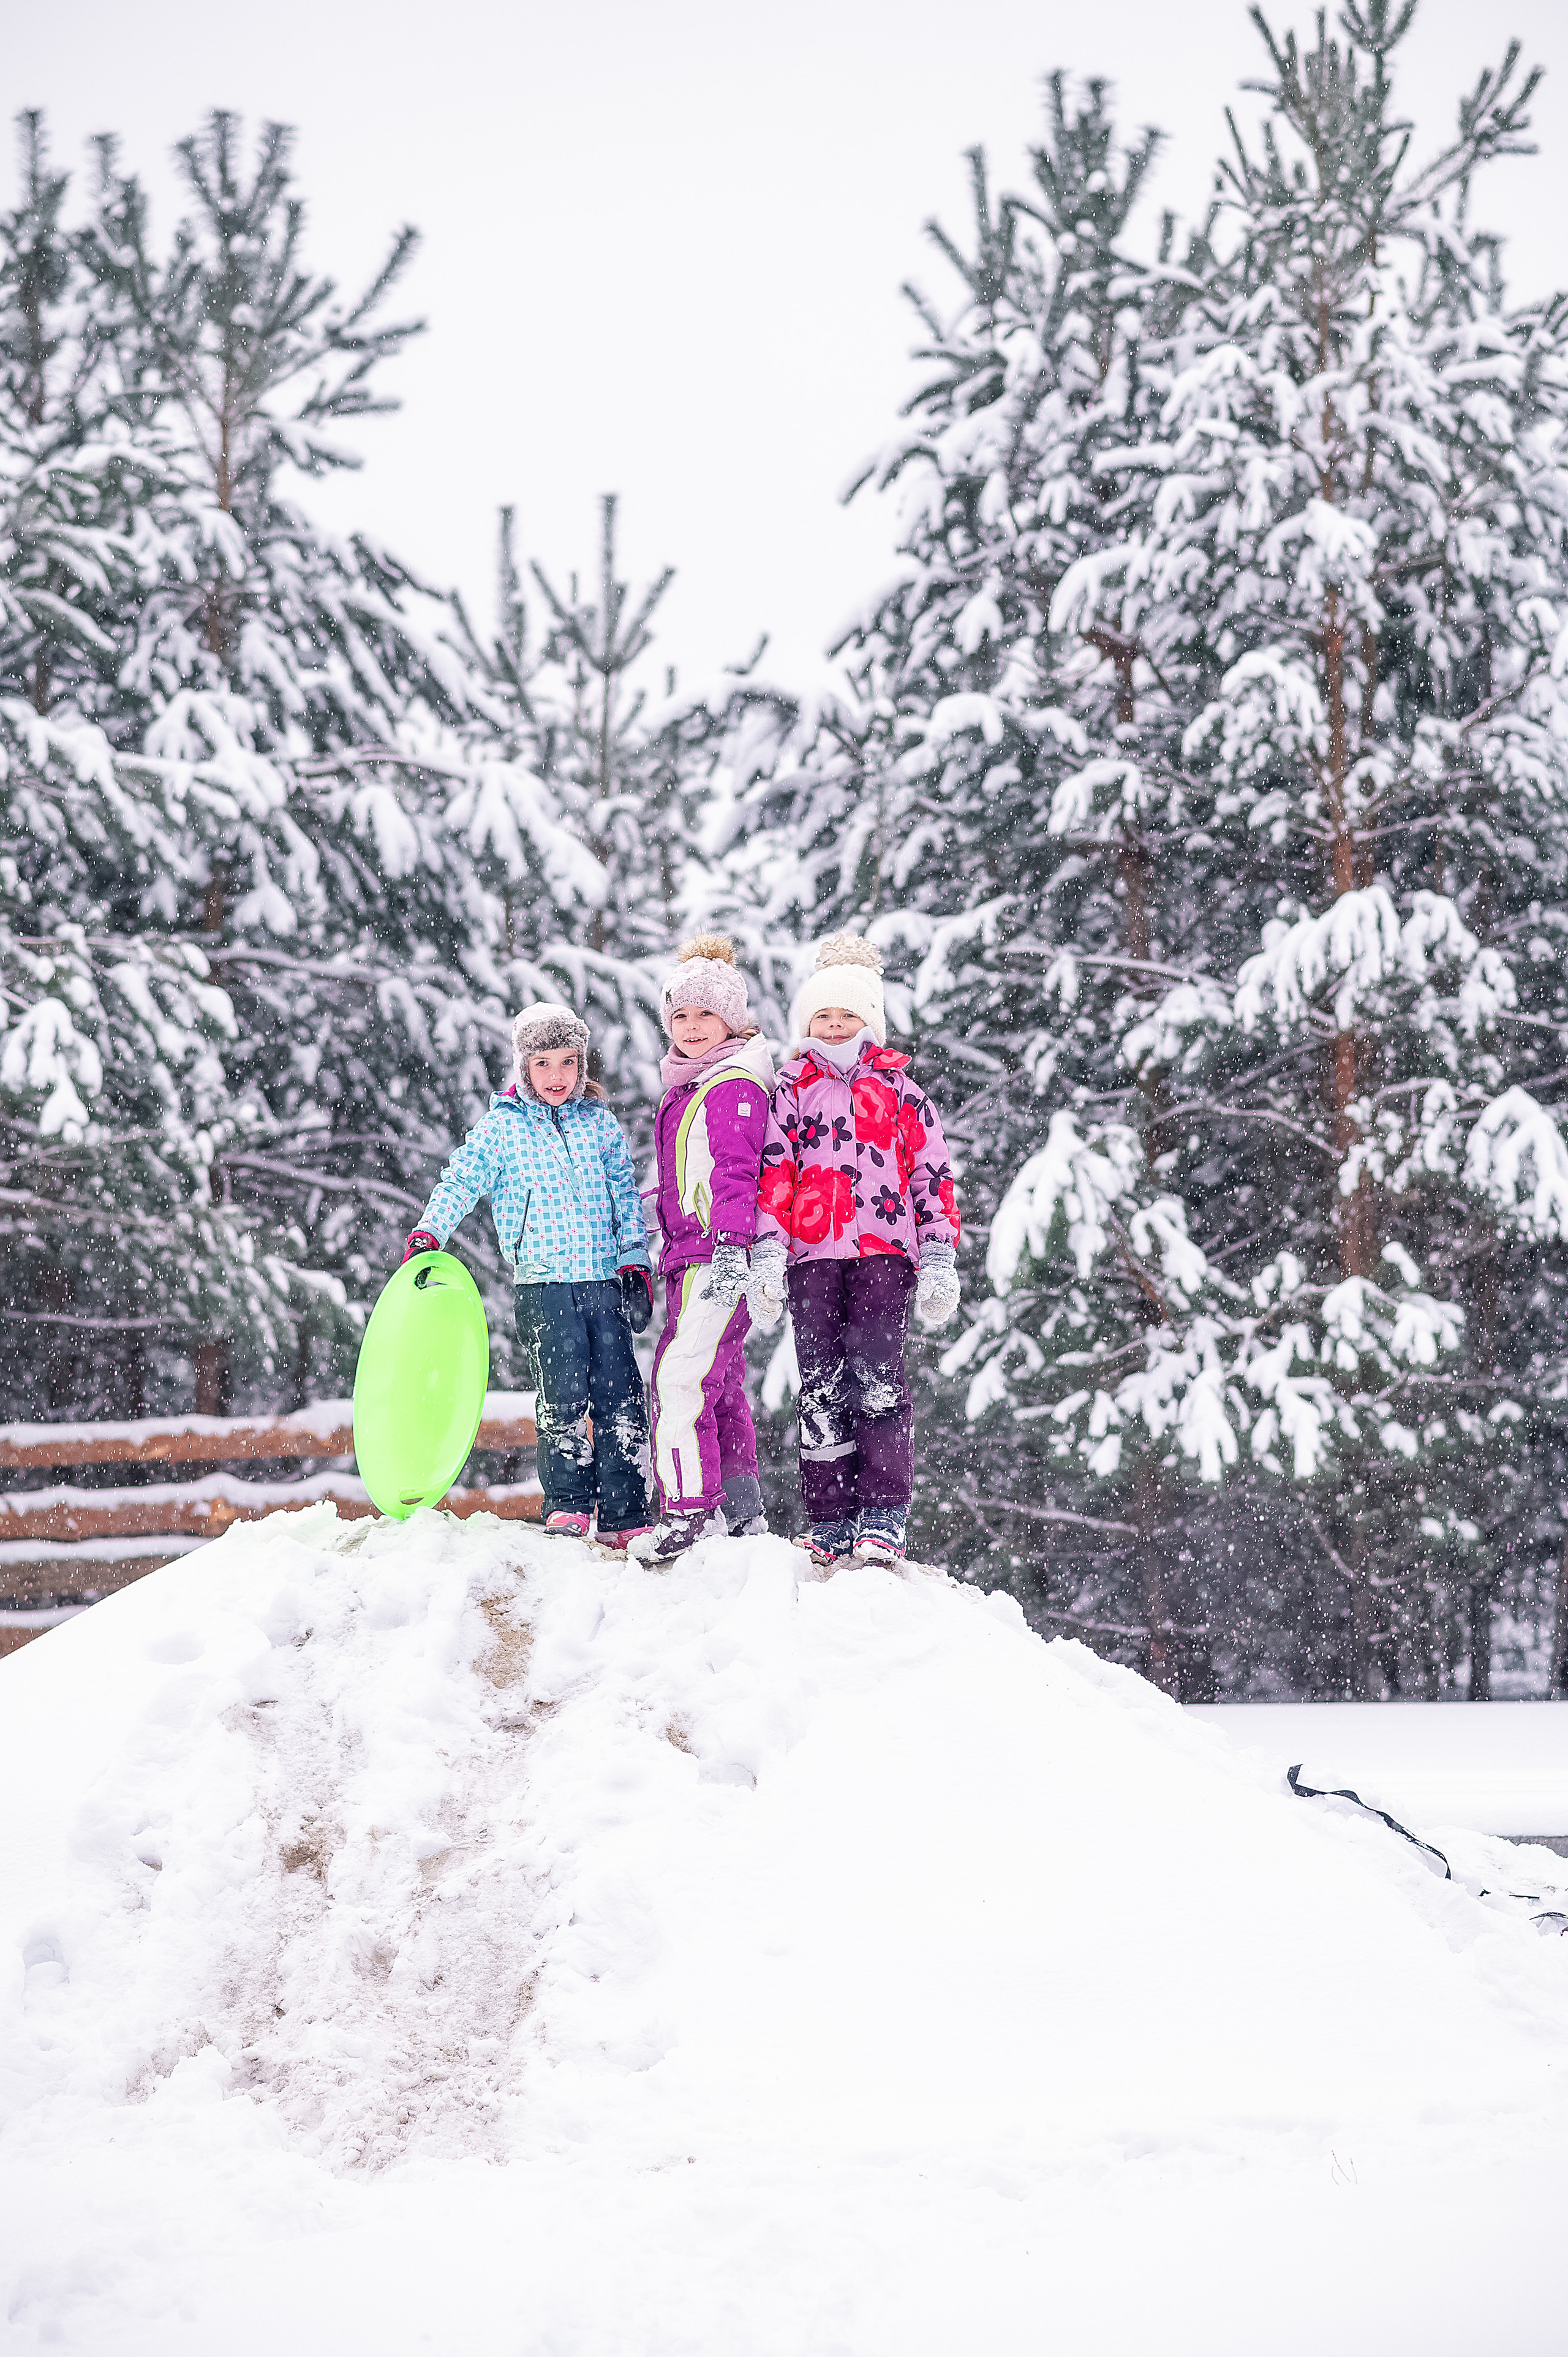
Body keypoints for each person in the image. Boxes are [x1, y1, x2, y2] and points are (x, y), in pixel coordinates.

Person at [402, 1001, 655, 1546]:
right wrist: (430, 1232)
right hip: (543, 1284)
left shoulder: (599, 1123)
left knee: (621, 1396)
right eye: (544, 1063)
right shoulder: (502, 1128)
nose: (558, 1075)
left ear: (583, 1065)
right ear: (524, 1067)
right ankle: (568, 1504)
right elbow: (461, 1179)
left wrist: (635, 1259)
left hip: (603, 1280)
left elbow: (624, 1194)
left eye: (569, 1062)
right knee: (561, 1398)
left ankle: (626, 1510)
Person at [747, 934, 960, 1567]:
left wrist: (940, 1253)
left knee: (877, 1379)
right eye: (823, 1015)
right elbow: (774, 1173)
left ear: (869, 1022)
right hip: (811, 1257)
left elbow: (931, 1173)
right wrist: (765, 1252)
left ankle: (883, 1515)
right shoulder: (789, 1088)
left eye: (847, 1016)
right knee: (819, 1385)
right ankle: (831, 1518)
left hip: (883, 1254)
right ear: (806, 1022)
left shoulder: (899, 1089)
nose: (835, 1025)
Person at [637, 934, 776, 1561]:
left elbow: (735, 1175)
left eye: (705, 1015)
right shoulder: (690, 1088)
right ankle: (741, 1512)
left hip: (715, 1257)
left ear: (733, 1019)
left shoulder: (731, 1086)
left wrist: (729, 1248)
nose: (691, 1028)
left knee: (680, 1378)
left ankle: (687, 1510)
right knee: (716, 1384)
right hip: (689, 1256)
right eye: (680, 1016)